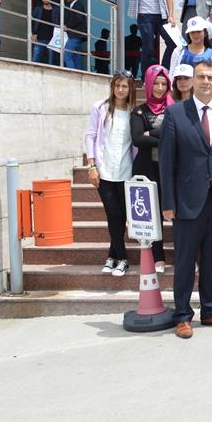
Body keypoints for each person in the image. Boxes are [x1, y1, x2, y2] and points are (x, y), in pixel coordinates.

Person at [159, 60, 212, 339]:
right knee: (185, 261)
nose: (206, 81)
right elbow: (166, 163)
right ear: (193, 80)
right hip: (187, 201)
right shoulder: (175, 113)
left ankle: (210, 310)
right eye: (201, 77)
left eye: (211, 77)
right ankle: (183, 315)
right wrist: (168, 203)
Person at [84, 72, 138, 278]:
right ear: (112, 87)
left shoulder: (134, 111)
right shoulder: (100, 107)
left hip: (126, 171)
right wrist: (91, 166)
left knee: (122, 216)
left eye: (125, 86)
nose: (120, 90)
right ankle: (122, 259)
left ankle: (111, 256)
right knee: (112, 214)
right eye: (117, 85)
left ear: (130, 88)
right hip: (104, 170)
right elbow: (90, 135)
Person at [131, 65, 174, 272]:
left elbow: (178, 136)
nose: (159, 88)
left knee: (176, 212)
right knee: (153, 214)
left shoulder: (174, 109)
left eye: (164, 84)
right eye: (156, 83)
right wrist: (163, 136)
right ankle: (158, 257)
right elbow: (137, 139)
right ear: (148, 84)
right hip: (147, 169)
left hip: (170, 168)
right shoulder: (139, 110)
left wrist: (151, 133)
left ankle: (185, 256)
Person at [31, 0, 59, 65]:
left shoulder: (56, 10)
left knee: (51, 61)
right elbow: (32, 22)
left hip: (52, 39)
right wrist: (33, 33)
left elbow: (59, 23)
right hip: (39, 38)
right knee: (35, 59)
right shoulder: (38, 9)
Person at [63, 0, 88, 71]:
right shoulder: (72, 5)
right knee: (76, 56)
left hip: (76, 34)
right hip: (76, 35)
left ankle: (72, 72)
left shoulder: (77, 4)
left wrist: (67, 26)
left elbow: (78, 18)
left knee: (67, 54)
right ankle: (78, 72)